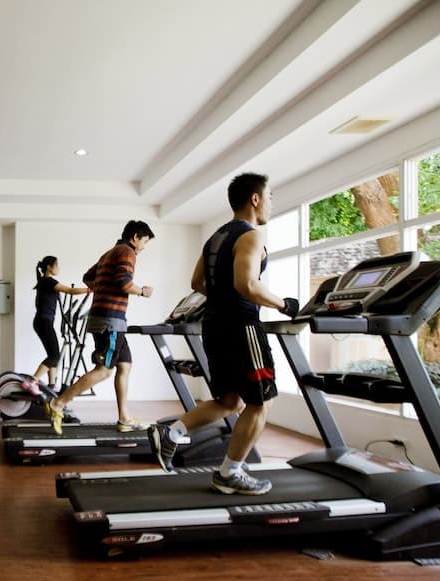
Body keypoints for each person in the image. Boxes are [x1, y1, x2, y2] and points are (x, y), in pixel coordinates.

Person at [148, 173, 299, 496]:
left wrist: (222, 299)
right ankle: (230, 473)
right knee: (261, 402)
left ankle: (172, 433)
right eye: (270, 197)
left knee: (230, 401)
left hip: (214, 326)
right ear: (255, 199)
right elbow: (248, 284)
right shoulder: (251, 236)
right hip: (242, 327)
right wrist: (285, 305)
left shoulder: (215, 237)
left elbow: (197, 283)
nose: (272, 203)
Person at [44, 220, 156, 435]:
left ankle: (124, 418)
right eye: (144, 242)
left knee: (125, 365)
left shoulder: (109, 253)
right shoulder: (127, 252)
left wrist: (103, 290)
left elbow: (88, 277)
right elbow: (124, 283)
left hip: (108, 318)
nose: (144, 247)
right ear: (135, 237)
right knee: (104, 370)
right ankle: (58, 403)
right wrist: (143, 291)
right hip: (110, 320)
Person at [24, 256, 91, 394]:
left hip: (42, 321)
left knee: (52, 355)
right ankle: (32, 381)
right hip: (44, 322)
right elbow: (70, 291)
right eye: (57, 265)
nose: (58, 268)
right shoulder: (48, 281)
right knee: (55, 356)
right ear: (49, 267)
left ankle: (52, 385)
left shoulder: (44, 282)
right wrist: (90, 290)